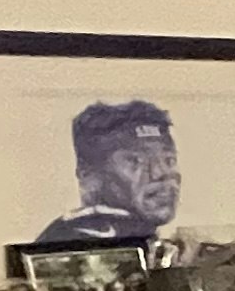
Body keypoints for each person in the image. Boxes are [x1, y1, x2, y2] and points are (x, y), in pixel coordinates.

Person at [32, 98, 181, 246]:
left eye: (169, 160)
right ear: (88, 175)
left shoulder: (147, 241)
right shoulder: (74, 241)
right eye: (135, 161)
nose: (161, 173)